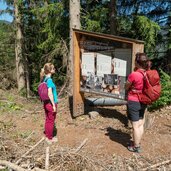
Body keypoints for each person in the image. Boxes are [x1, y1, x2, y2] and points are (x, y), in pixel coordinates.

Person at [125, 53, 150, 153]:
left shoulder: (134, 74)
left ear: (137, 62)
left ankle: (136, 146)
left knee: (135, 125)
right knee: (140, 124)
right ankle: (138, 143)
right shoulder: (147, 73)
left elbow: (127, 86)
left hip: (134, 101)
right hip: (143, 101)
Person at [40, 63, 58, 144]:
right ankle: (50, 138)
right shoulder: (49, 80)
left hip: (46, 103)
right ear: (50, 70)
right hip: (51, 103)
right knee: (51, 120)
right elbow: (50, 93)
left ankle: (47, 136)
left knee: (48, 119)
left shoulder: (45, 79)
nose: (54, 69)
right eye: (53, 68)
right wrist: (54, 105)